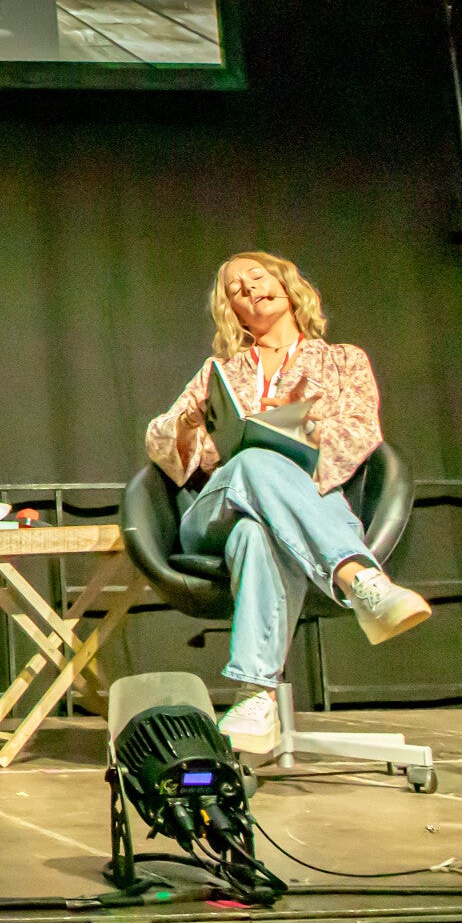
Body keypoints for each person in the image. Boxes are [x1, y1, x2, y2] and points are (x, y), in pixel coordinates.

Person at [145, 251, 431, 755]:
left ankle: (255, 695)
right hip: (215, 512)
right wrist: (188, 421)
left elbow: (362, 434)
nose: (249, 289)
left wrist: (306, 424)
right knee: (253, 462)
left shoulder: (344, 361)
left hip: (296, 513)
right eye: (236, 290)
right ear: (232, 312)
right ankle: (360, 580)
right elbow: (159, 444)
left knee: (257, 534)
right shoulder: (219, 372)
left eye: (256, 276)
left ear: (285, 283)